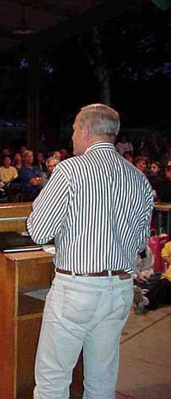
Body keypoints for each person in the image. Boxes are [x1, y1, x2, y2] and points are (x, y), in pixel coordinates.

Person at [26, 104, 153, 398]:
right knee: (101, 381)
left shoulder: (70, 170)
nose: (72, 137)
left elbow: (39, 230)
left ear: (85, 130)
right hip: (119, 288)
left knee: (52, 381)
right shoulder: (138, 178)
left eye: (73, 130)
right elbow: (139, 245)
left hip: (77, 287)